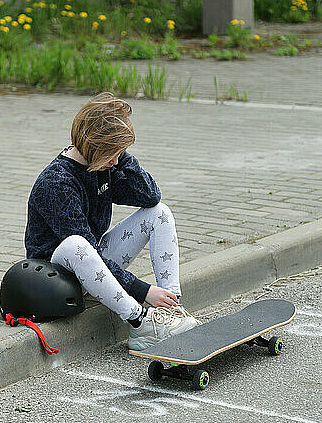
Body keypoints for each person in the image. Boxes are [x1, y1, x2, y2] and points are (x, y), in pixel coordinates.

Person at [24, 91, 200, 350]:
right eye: (111, 152)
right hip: (56, 276)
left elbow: (150, 196)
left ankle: (171, 308)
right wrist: (142, 291)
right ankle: (140, 323)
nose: (116, 161)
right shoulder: (57, 182)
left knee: (159, 212)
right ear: (92, 146)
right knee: (77, 244)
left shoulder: (104, 166)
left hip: (91, 268)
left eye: (120, 153)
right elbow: (83, 248)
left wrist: (122, 157)